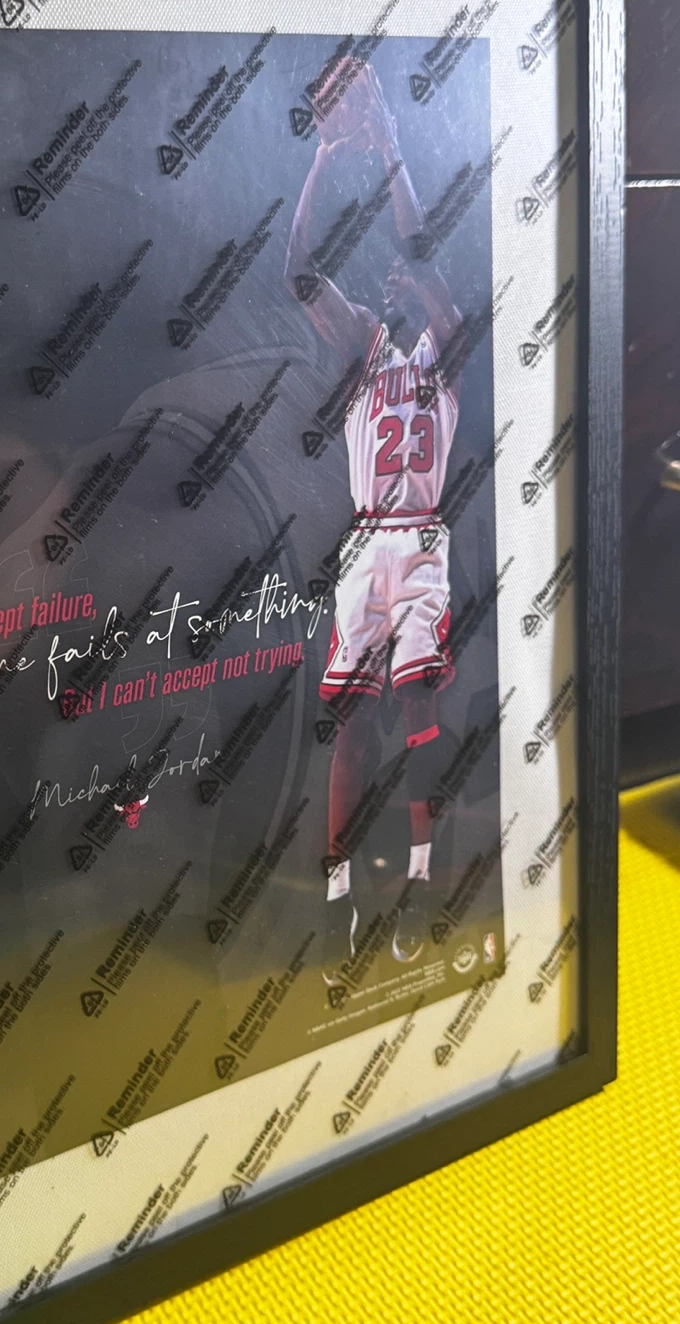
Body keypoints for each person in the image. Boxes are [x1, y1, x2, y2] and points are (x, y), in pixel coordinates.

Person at [285, 63, 464, 981]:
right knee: (351, 727)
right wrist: (325, 157)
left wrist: (391, 151)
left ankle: (424, 888)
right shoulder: (366, 351)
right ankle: (338, 901)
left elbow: (429, 264)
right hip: (366, 543)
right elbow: (298, 271)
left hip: (422, 538)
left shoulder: (449, 349)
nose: (395, 290)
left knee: (419, 706)